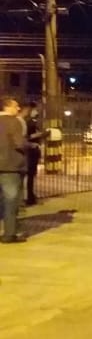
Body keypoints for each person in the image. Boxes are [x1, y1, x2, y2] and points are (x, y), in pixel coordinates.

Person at [0, 96, 28, 243]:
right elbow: (19, 144)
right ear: (7, 107)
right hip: (9, 166)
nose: (18, 109)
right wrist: (29, 145)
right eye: (15, 106)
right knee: (10, 201)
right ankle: (9, 234)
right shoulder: (13, 122)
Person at [21, 102, 43, 205]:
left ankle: (31, 195)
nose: (36, 111)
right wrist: (38, 135)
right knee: (29, 174)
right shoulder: (27, 122)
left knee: (31, 175)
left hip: (34, 150)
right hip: (30, 150)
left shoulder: (33, 121)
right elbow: (26, 138)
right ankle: (29, 197)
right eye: (35, 109)